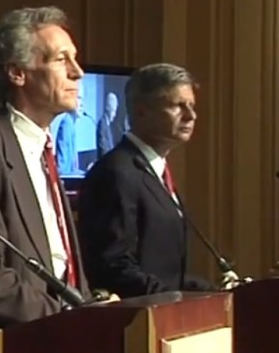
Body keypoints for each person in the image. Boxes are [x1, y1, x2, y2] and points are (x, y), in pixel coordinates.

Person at [0, 5, 103, 329]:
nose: (77, 72)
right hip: (17, 344)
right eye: (60, 59)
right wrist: (68, 316)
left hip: (68, 337)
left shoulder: (46, 149)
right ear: (17, 73)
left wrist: (87, 308)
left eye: (75, 58)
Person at [77, 63, 216, 296]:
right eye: (178, 106)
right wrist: (179, 301)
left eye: (191, 106)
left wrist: (215, 292)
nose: (191, 116)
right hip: (135, 324)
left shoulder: (155, 170)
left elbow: (165, 272)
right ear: (142, 111)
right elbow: (114, 267)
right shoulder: (116, 172)